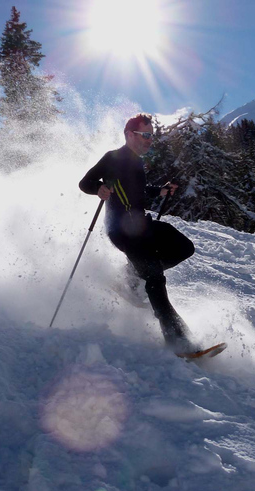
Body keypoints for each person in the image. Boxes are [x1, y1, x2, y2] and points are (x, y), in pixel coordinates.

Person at [79, 113, 198, 353]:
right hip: (122, 231)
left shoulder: (136, 162)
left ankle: (132, 276)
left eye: (151, 136)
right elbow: (85, 182)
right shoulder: (113, 158)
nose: (149, 140)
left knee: (184, 247)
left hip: (141, 225)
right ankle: (178, 340)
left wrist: (160, 191)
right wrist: (99, 188)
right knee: (155, 277)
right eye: (145, 135)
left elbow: (138, 191)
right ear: (129, 135)